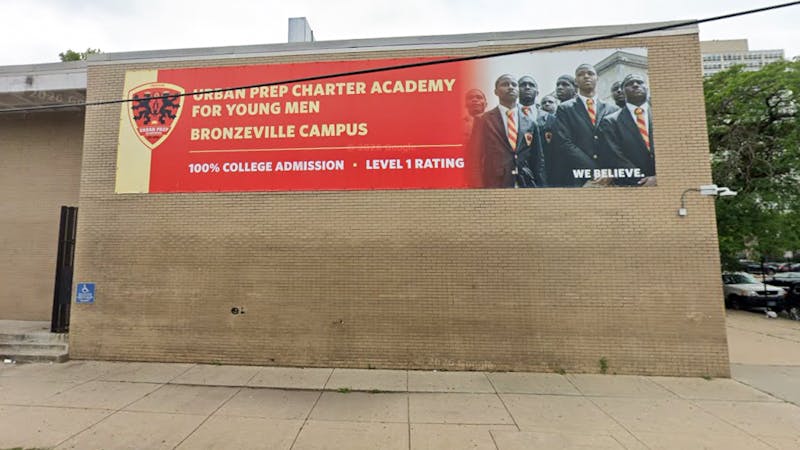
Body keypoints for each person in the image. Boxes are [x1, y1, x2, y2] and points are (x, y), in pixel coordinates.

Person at [468, 74, 546, 188]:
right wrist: (478, 187)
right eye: (505, 84)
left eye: (514, 85)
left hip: (525, 183)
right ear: (496, 91)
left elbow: (538, 159)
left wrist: (541, 187)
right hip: (495, 183)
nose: (510, 87)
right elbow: (474, 157)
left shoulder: (530, 122)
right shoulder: (483, 120)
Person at [551, 64, 620, 187]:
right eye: (581, 74)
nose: (586, 76)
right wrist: (594, 170)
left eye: (590, 73)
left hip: (608, 178)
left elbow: (617, 144)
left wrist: (611, 170)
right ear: (576, 81)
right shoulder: (565, 108)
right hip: (580, 177)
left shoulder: (612, 109)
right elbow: (564, 142)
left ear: (597, 78)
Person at [598, 73, 656, 186]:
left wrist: (659, 177)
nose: (635, 85)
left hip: (666, 182)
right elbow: (615, 156)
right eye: (629, 84)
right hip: (631, 185)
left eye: (639, 82)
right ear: (623, 92)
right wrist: (641, 180)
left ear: (647, 87)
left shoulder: (665, 115)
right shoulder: (610, 121)